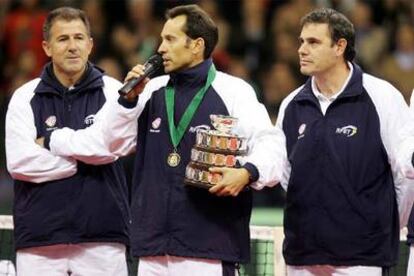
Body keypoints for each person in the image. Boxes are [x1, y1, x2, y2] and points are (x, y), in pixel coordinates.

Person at [43, 4, 281, 276]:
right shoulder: (149, 91)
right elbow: (106, 143)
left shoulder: (234, 91)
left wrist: (247, 172)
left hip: (209, 248)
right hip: (152, 250)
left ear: (196, 45)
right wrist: (126, 102)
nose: (160, 48)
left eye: (170, 39)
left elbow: (271, 145)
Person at [272, 8, 414, 276]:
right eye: (301, 41)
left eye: (313, 42)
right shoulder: (291, 104)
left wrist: (384, 223)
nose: (302, 49)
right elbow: (287, 176)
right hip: (303, 255)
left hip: (363, 257)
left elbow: (405, 174)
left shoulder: (382, 97)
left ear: (340, 46)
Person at [5, 7, 132, 275]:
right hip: (40, 241)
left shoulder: (113, 92)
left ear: (90, 44)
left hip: (103, 239)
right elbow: (19, 162)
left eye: (79, 38)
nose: (72, 47)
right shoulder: (24, 97)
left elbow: (114, 147)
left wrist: (51, 141)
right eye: (63, 39)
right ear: (47, 47)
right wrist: (83, 159)